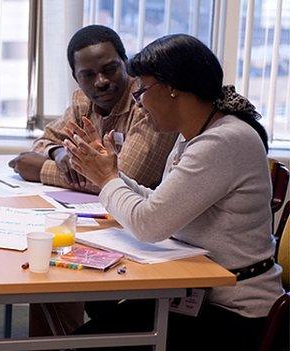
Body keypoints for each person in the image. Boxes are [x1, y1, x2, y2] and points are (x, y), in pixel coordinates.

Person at [64, 34, 284, 351]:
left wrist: (108, 178)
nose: (138, 101)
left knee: (79, 343)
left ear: (172, 88)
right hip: (193, 295)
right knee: (83, 337)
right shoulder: (194, 136)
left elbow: (149, 224)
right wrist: (107, 173)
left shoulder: (223, 141)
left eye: (141, 91)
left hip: (235, 312)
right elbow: (160, 204)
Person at [8, 25, 176, 194]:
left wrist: (41, 169)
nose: (101, 82)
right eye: (88, 75)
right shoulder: (82, 100)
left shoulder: (147, 102)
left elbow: (125, 180)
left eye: (110, 70)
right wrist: (57, 153)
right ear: (76, 78)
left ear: (125, 63)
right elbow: (44, 142)